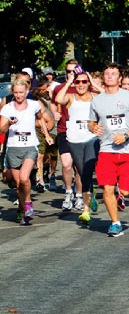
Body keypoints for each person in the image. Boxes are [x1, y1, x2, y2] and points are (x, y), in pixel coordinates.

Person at [87, 63, 129, 237]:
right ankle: (115, 223)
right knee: (107, 189)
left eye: (113, 74)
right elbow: (91, 121)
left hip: (128, 149)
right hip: (106, 150)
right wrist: (93, 128)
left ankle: (128, 186)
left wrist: (126, 136)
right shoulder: (97, 100)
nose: (109, 76)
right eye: (107, 74)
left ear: (120, 78)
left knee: (126, 190)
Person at [0, 78, 53, 224]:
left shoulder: (34, 105)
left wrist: (47, 135)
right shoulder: (7, 108)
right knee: (19, 184)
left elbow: (41, 119)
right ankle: (24, 212)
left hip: (30, 146)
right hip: (13, 147)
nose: (18, 95)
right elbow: (1, 129)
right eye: (16, 92)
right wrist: (8, 124)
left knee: (24, 178)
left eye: (21, 92)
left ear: (26, 91)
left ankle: (28, 203)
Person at [54, 69, 99, 221]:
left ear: (88, 83)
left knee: (87, 170)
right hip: (74, 139)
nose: (81, 85)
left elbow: (106, 94)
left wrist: (92, 80)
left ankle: (85, 211)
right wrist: (68, 82)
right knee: (81, 171)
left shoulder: (95, 96)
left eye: (84, 82)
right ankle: (90, 194)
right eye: (78, 82)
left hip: (92, 138)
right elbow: (58, 99)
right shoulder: (70, 97)